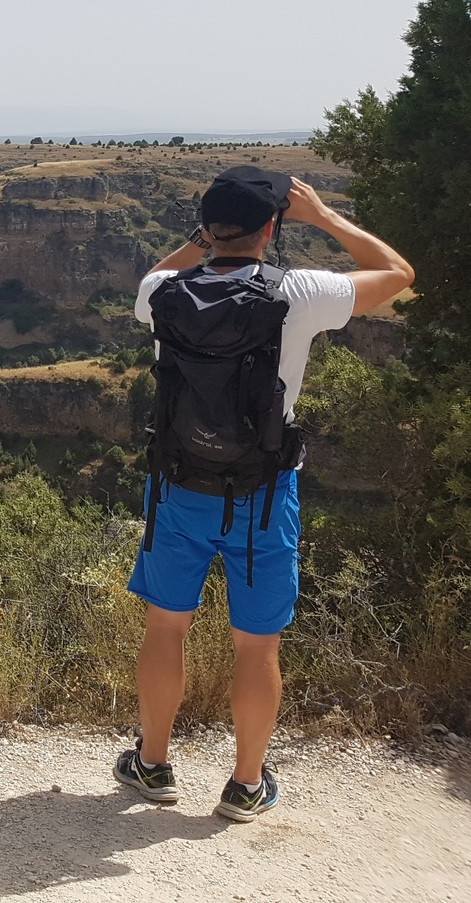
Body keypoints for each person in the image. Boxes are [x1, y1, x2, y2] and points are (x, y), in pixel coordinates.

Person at [114, 166, 414, 821]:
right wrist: (327, 219)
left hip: (176, 487)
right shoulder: (298, 293)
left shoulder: (162, 293)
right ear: (272, 228)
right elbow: (397, 273)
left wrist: (199, 243)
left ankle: (154, 765)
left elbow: (151, 279)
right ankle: (246, 785)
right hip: (261, 494)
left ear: (209, 226)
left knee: (166, 627)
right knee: (257, 644)